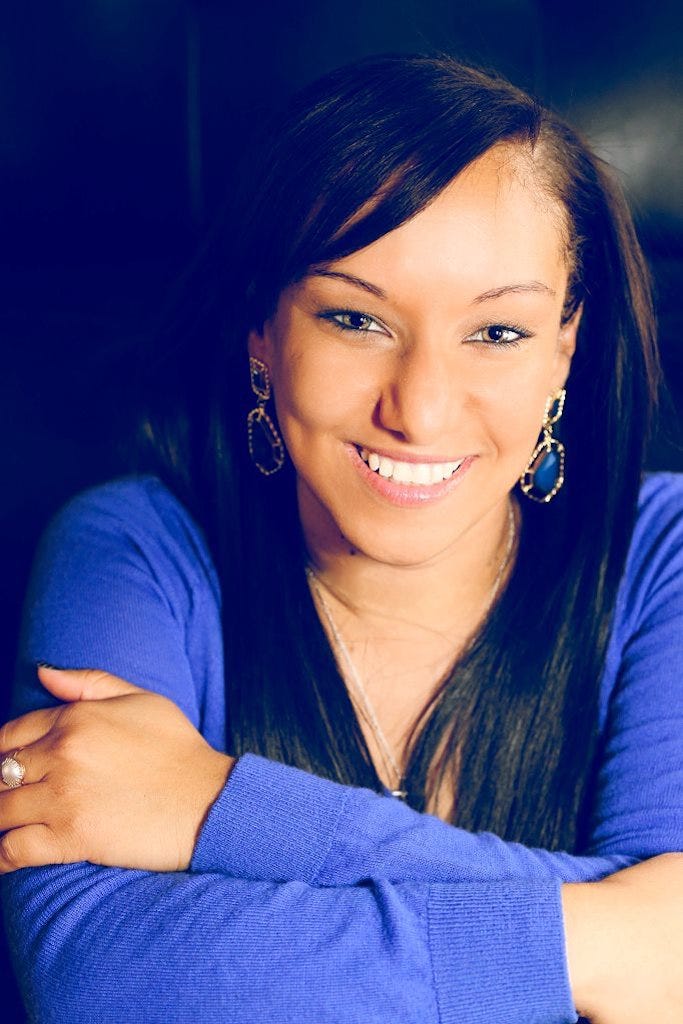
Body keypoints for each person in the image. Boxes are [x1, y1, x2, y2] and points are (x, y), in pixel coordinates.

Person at [1, 54, 682, 1023]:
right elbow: (99, 982)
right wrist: (616, 937)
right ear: (262, 329)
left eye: (496, 333)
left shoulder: (663, 556)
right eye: (356, 319)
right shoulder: (131, 551)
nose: (420, 409)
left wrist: (217, 805)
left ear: (564, 348)